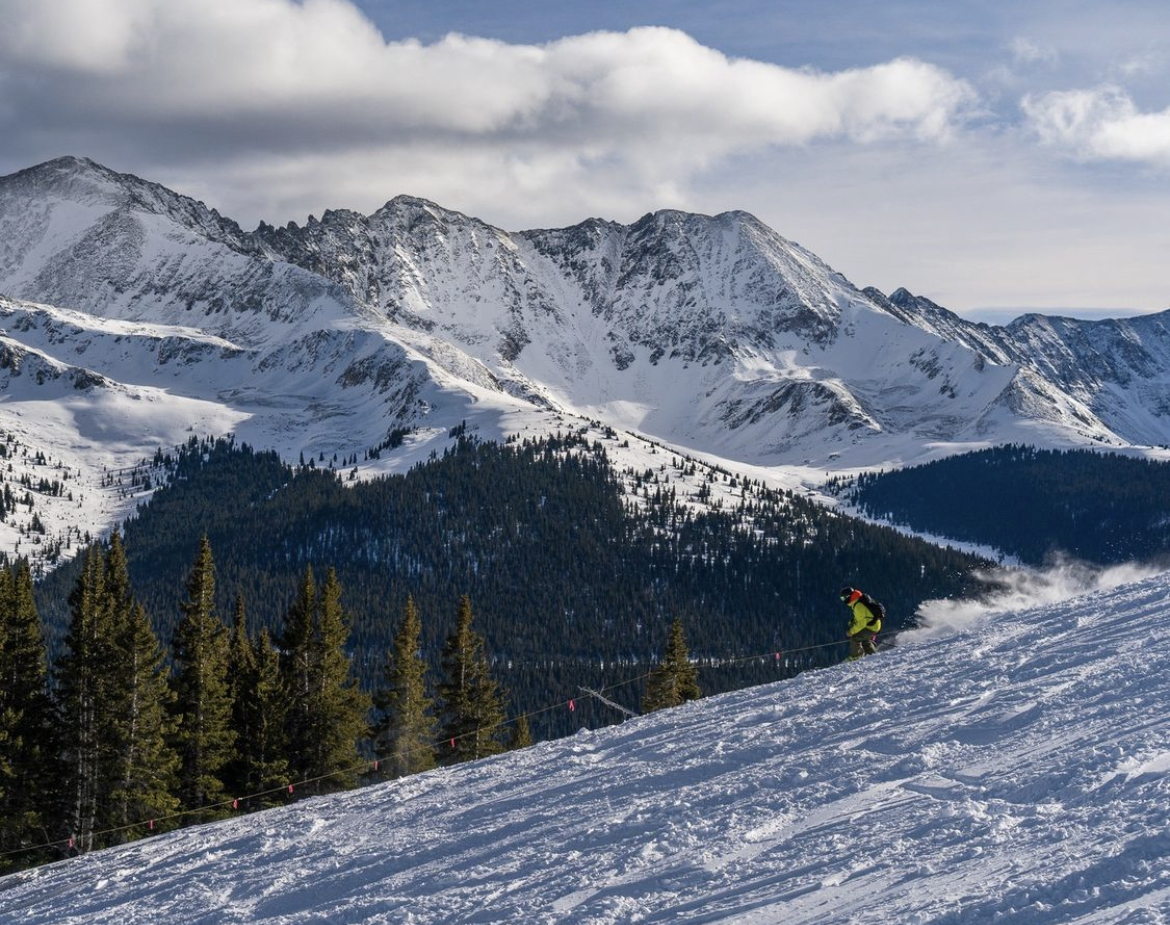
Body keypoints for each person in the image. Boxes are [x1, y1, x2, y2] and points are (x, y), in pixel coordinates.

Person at [840, 585, 883, 660]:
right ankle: (873, 656)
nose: (843, 600)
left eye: (843, 598)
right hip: (874, 624)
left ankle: (856, 657)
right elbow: (861, 618)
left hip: (871, 626)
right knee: (865, 640)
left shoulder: (858, 605)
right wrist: (852, 622)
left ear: (848, 597)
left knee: (855, 638)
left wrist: (851, 632)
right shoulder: (858, 601)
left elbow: (862, 623)